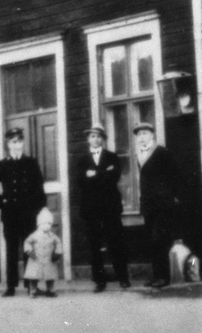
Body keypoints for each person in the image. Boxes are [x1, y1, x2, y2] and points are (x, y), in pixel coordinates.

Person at [0, 127, 47, 296]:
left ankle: (30, 285)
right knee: (11, 250)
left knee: (29, 249)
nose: (17, 145)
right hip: (10, 215)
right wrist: (2, 203)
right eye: (14, 142)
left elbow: (39, 189)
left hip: (28, 214)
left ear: (23, 142)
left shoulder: (31, 163)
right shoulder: (1, 165)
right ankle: (10, 286)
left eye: (20, 141)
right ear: (8, 144)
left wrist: (37, 209)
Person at [74, 125, 130, 292]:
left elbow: (115, 177)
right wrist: (104, 172)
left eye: (99, 136)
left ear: (103, 139)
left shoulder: (112, 157)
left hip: (110, 206)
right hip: (91, 208)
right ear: (88, 139)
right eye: (92, 136)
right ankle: (99, 281)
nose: (96, 139)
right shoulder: (82, 160)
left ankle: (123, 278)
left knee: (116, 242)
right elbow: (80, 181)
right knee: (94, 245)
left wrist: (93, 175)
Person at [134, 122, 180, 289]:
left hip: (163, 204)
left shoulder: (162, 152)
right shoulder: (139, 154)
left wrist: (172, 196)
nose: (142, 137)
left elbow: (174, 175)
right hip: (148, 205)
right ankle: (157, 276)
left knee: (160, 239)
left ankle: (164, 277)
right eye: (139, 134)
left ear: (152, 135)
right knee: (152, 241)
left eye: (145, 133)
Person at [22, 207, 64, 297]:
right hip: (36, 258)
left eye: (49, 223)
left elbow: (58, 243)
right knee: (34, 275)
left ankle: (50, 290)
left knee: (50, 276)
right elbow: (27, 242)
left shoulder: (52, 236)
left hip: (49, 259)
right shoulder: (35, 235)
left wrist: (58, 252)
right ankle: (33, 291)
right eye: (44, 223)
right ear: (39, 224)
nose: (47, 226)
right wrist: (29, 251)